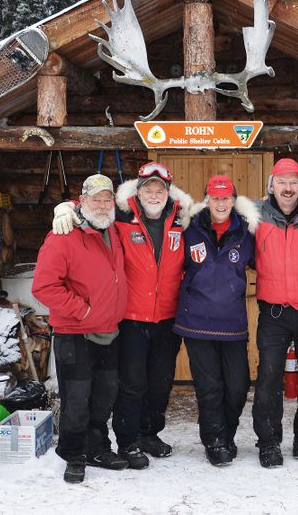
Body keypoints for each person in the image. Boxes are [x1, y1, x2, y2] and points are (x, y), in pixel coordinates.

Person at [51, 162, 193, 469]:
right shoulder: (121, 216)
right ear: (138, 191)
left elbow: (222, 214)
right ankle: (128, 441)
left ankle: (149, 434)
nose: (154, 194)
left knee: (160, 383)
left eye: (159, 189)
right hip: (130, 318)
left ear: (168, 193)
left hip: (167, 319)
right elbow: (92, 209)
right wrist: (66, 207)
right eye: (148, 189)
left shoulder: (183, 218)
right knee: (131, 384)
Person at [32, 174, 129, 484]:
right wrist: (82, 310)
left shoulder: (111, 229)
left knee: (104, 395)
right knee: (76, 398)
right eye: (95, 199)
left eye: (107, 199)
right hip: (75, 333)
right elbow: (44, 286)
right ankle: (73, 453)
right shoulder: (63, 235)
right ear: (83, 201)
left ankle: (98, 446)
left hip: (109, 329)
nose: (102, 205)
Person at [173, 175, 259, 467]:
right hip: (196, 321)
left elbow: (266, 261)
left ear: (234, 200)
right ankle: (214, 440)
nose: (220, 203)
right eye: (215, 198)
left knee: (237, 385)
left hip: (232, 323)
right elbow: (140, 207)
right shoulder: (189, 228)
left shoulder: (247, 232)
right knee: (209, 386)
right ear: (206, 200)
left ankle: (227, 435)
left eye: (226, 198)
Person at [251, 158, 298, 468]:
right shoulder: (255, 215)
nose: (287, 187)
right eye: (281, 181)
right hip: (273, 311)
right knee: (269, 377)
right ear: (271, 185)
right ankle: (269, 441)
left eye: (293, 181)